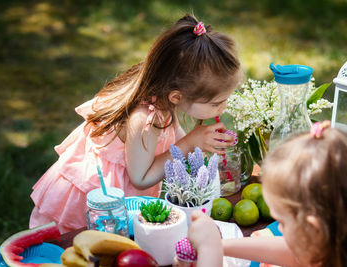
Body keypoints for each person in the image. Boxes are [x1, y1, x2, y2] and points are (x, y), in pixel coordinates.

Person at [29, 14, 242, 233]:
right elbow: (141, 178)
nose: (222, 109)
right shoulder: (145, 119)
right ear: (176, 97)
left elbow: (177, 141)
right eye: (217, 103)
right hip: (93, 204)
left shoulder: (165, 95)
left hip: (115, 196)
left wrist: (200, 145)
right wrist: (190, 142)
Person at [188, 121, 347, 267]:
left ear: (314, 230)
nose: (279, 229)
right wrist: (221, 246)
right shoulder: (323, 248)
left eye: (283, 223)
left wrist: (209, 250)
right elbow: (289, 251)